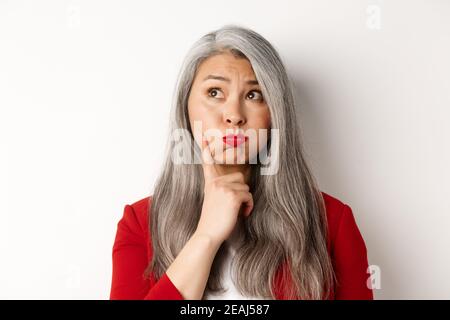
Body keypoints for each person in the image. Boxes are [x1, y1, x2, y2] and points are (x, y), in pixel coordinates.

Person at [110, 24, 373, 300]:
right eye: (214, 92)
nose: (234, 115)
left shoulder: (331, 222)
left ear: (275, 114)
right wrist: (207, 235)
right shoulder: (140, 224)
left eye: (253, 95)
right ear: (185, 108)